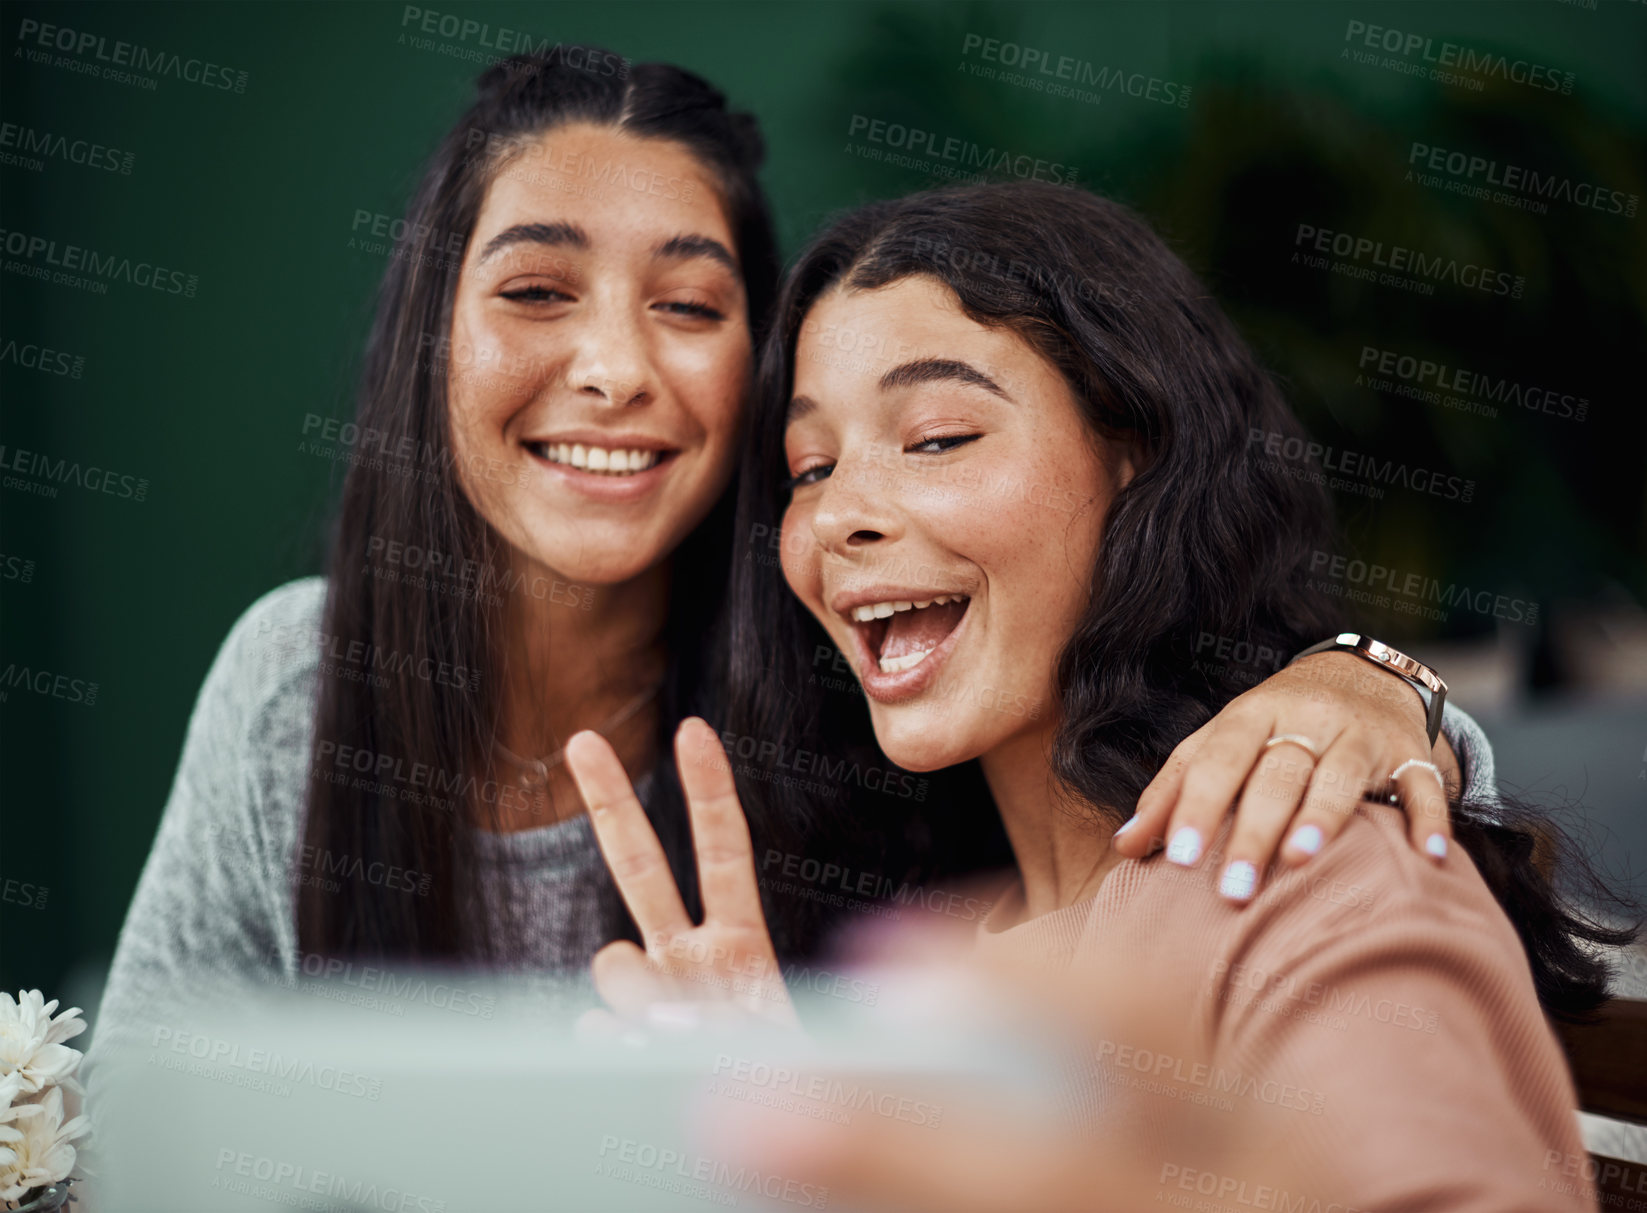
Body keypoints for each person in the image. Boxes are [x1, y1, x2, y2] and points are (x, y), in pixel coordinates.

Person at [90, 45, 1489, 1091]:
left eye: (688, 307)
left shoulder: (840, 687)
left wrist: (1373, 687)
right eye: (532, 289)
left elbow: (1249, 832)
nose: (614, 369)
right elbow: (141, 1129)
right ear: (424, 339)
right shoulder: (298, 686)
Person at [563, 181, 1628, 1209]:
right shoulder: (909, 941)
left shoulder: (1298, 864)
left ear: (1137, 458)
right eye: (809, 467)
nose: (841, 512)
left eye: (936, 437)